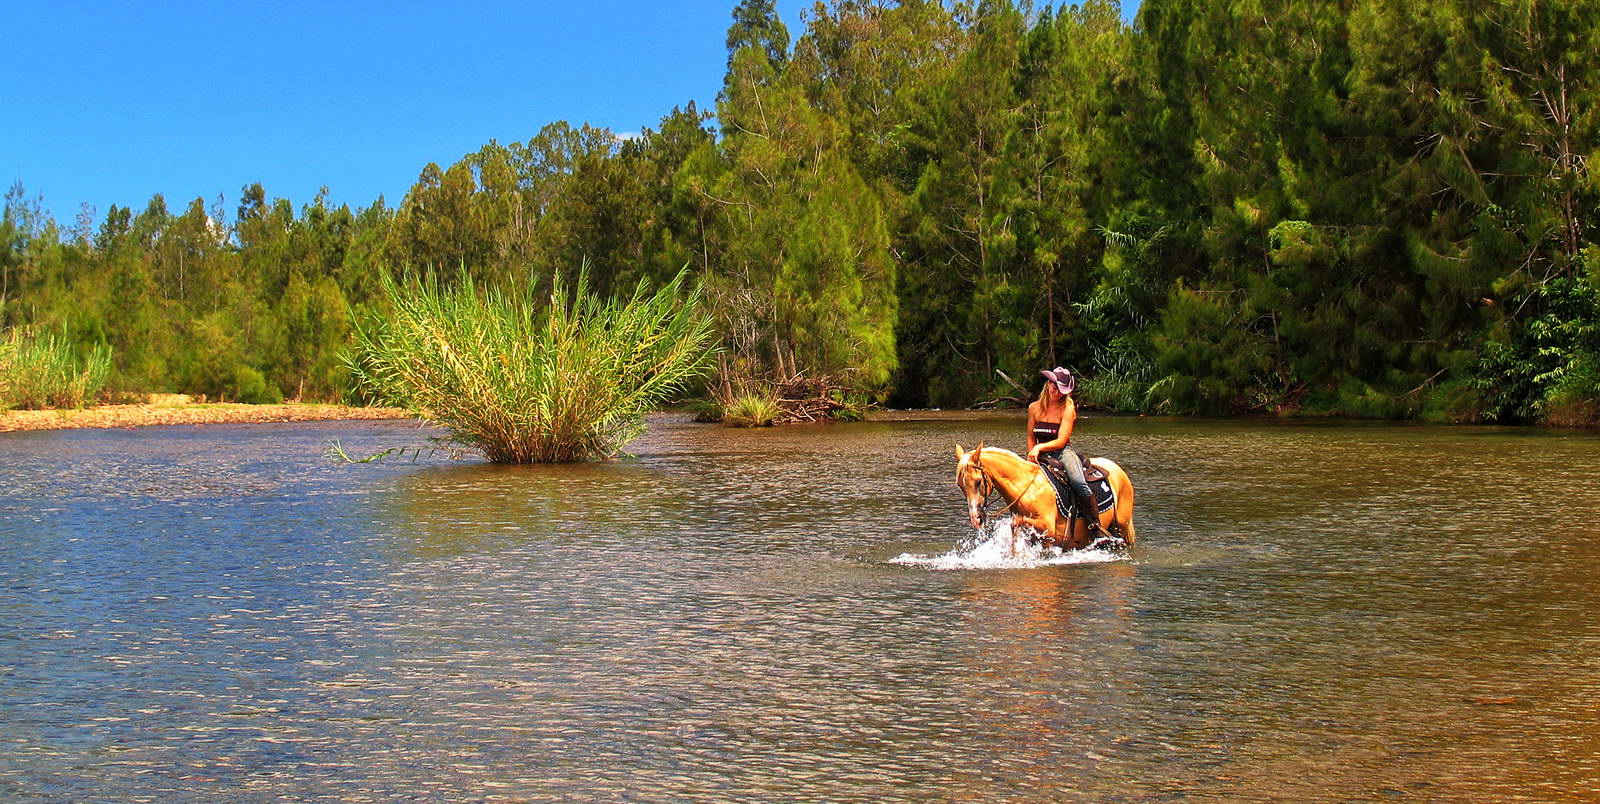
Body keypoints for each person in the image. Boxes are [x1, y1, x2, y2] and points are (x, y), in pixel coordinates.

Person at [1025, 367, 1108, 540]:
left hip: (1062, 452)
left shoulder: (1068, 409)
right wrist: (1031, 454)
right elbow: (1030, 436)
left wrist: (1039, 448)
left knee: (1078, 481)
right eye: (1053, 387)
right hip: (1039, 454)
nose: (1055, 392)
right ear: (1048, 384)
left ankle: (1095, 525)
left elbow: (1062, 440)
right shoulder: (1034, 408)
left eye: (1060, 390)